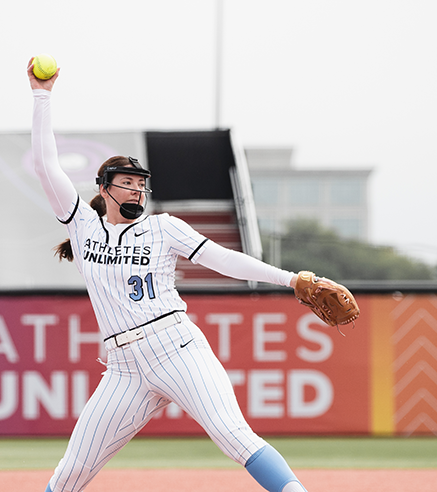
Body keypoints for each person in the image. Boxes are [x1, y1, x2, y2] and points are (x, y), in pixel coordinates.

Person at [27, 58, 310, 492]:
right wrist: (41, 95)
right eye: (127, 182)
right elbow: (47, 165)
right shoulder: (83, 224)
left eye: (142, 184)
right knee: (70, 473)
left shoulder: (163, 227)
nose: (138, 189)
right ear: (104, 187)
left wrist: (291, 280)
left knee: (235, 437)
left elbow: (225, 260)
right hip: (122, 368)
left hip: (175, 347)